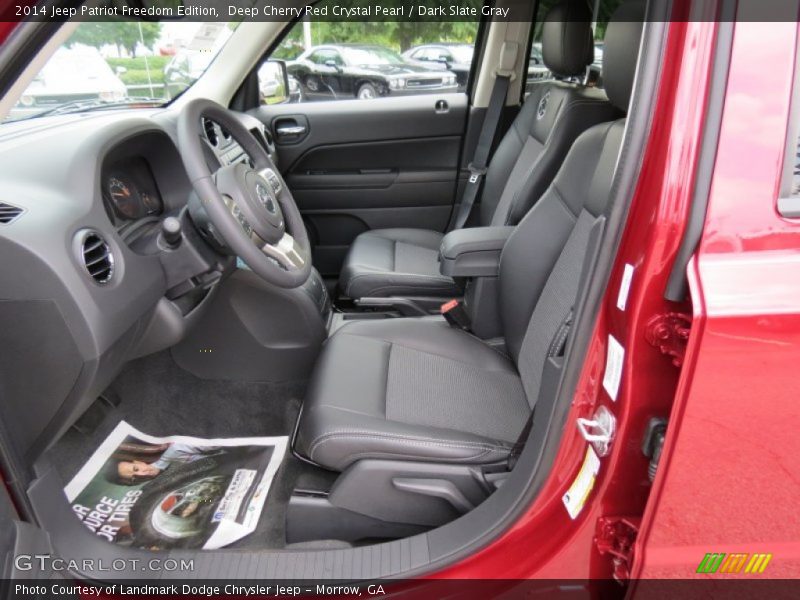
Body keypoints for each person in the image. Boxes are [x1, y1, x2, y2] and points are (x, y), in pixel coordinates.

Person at [107, 443, 224, 485]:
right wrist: (201, 501)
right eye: (134, 477)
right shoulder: (163, 478)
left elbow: (216, 442)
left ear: (138, 461)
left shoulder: (172, 451)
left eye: (136, 469)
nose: (142, 474)